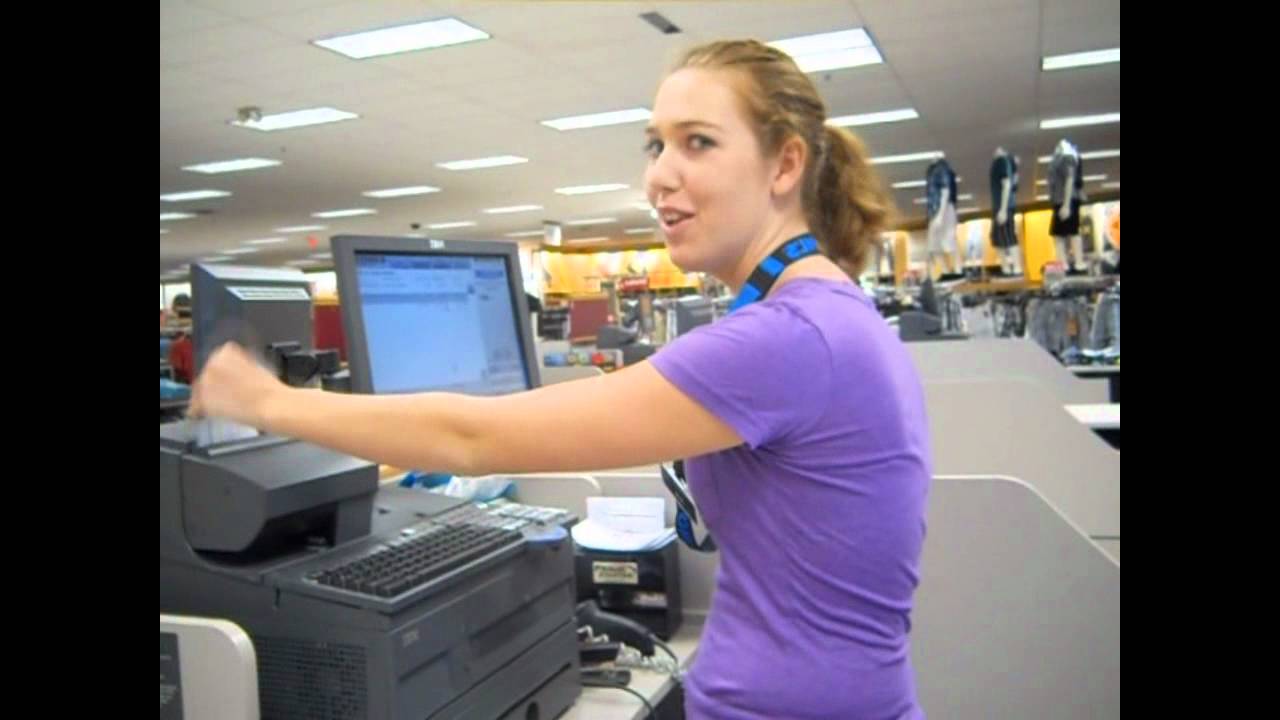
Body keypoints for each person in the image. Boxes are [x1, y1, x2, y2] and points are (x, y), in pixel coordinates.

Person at [191, 39, 931, 720]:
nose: (659, 175)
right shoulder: (821, 312)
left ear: (785, 165)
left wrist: (269, 400)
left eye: (698, 142)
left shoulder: (786, 339)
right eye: (656, 144)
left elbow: (473, 438)